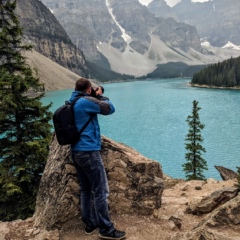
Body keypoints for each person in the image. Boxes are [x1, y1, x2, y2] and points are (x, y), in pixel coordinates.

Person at [69, 78, 126, 240]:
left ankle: (90, 223)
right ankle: (106, 229)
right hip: (89, 152)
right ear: (88, 90)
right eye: (91, 89)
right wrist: (100, 95)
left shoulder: (72, 101)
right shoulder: (86, 101)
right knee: (101, 191)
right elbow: (110, 109)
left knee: (86, 190)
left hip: (76, 152)